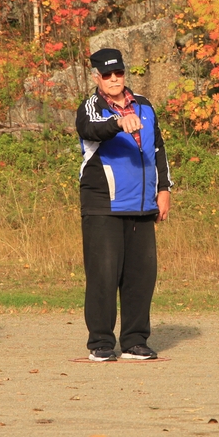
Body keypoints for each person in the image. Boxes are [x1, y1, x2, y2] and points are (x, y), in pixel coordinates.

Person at [76, 48, 172, 362]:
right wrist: (118, 123)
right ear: (96, 78)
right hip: (104, 205)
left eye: (118, 73)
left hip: (142, 205)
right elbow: (90, 129)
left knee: (141, 277)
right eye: (107, 75)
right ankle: (101, 343)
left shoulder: (144, 105)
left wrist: (164, 189)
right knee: (103, 275)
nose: (114, 79)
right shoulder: (91, 107)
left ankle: (134, 340)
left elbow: (158, 149)